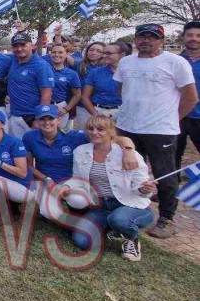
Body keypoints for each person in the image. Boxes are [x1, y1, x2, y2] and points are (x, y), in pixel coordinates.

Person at [114, 23, 198, 239]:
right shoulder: (126, 62)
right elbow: (122, 89)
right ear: (135, 39)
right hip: (128, 127)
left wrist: (171, 119)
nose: (146, 41)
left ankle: (167, 218)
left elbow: (190, 98)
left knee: (165, 174)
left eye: (152, 37)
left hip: (161, 130)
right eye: (142, 36)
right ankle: (134, 209)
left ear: (161, 40)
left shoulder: (175, 62)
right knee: (128, 171)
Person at [65, 116, 157, 261]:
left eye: (100, 129)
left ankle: (132, 238)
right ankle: (112, 227)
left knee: (119, 219)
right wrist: (67, 188)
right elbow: (78, 179)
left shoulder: (129, 154)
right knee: (82, 241)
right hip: (101, 206)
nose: (94, 132)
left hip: (130, 204)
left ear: (111, 132)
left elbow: (141, 186)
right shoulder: (80, 152)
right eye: (91, 129)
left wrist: (145, 189)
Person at [24, 105, 139, 221]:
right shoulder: (29, 137)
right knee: (51, 214)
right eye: (42, 119)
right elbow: (28, 165)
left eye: (50, 119)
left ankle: (85, 214)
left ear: (58, 120)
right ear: (37, 122)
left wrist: (128, 150)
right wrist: (46, 179)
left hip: (71, 182)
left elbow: (115, 138)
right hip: (46, 181)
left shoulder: (74, 136)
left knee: (78, 201)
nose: (46, 122)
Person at [6, 32, 54, 137]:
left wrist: (39, 118)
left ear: (32, 46)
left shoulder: (41, 66)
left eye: (23, 45)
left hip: (32, 117)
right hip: (14, 114)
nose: (19, 49)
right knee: (17, 150)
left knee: (33, 150)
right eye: (16, 46)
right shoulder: (13, 60)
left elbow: (46, 95)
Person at [177, 21, 200, 182]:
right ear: (183, 37)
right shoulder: (175, 61)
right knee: (172, 155)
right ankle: (170, 189)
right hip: (177, 115)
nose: (194, 39)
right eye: (190, 35)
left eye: (198, 36)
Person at [81, 42, 126, 122]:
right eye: (104, 53)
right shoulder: (95, 72)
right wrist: (95, 113)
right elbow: (85, 96)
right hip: (98, 111)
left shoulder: (129, 73)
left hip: (121, 114)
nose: (104, 56)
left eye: (109, 53)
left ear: (121, 55)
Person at [72, 41, 106, 129]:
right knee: (84, 132)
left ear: (103, 54)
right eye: (91, 50)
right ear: (87, 51)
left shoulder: (106, 68)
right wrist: (58, 36)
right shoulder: (80, 65)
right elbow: (64, 55)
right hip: (82, 107)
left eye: (98, 51)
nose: (94, 52)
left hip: (101, 107)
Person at [47, 43, 81, 129]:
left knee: (60, 133)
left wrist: (66, 109)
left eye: (60, 52)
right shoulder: (43, 70)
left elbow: (77, 94)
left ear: (66, 55)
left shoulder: (72, 74)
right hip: (44, 105)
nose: (56, 55)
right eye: (54, 52)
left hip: (60, 106)